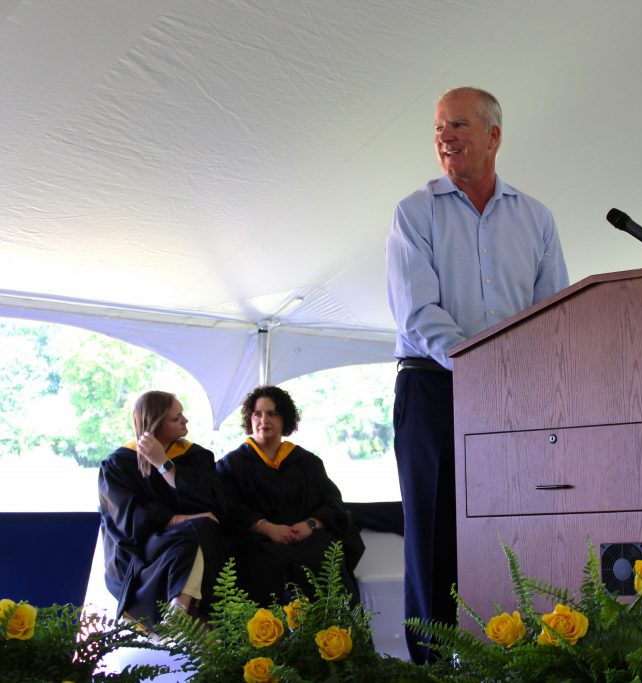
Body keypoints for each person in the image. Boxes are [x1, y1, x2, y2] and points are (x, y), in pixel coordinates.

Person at [385, 86, 569, 662]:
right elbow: (417, 311)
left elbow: (554, 310)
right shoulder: (415, 212)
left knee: (517, 528)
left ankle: (514, 657)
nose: (444, 137)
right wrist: (479, 364)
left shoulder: (536, 218)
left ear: (494, 134)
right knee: (434, 535)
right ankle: (433, 667)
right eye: (438, 128)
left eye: (458, 125)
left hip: (515, 395)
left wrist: (522, 379)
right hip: (432, 386)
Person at [216, 385, 364, 606]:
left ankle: (331, 637)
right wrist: (268, 528)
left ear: (285, 419)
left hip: (306, 539)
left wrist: (310, 525)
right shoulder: (231, 465)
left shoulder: (307, 462)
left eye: (272, 413)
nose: (263, 420)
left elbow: (333, 506)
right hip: (258, 542)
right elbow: (227, 510)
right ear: (250, 418)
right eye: (257, 413)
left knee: (325, 555)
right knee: (259, 560)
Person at [98, 391, 228, 628]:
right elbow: (128, 519)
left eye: (182, 414)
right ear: (155, 424)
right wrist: (181, 519)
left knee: (200, 531)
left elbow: (212, 503)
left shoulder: (196, 456)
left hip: (189, 538)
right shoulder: (119, 463)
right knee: (197, 531)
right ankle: (181, 610)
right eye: (176, 418)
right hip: (145, 548)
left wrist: (163, 464)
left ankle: (179, 609)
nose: (185, 420)